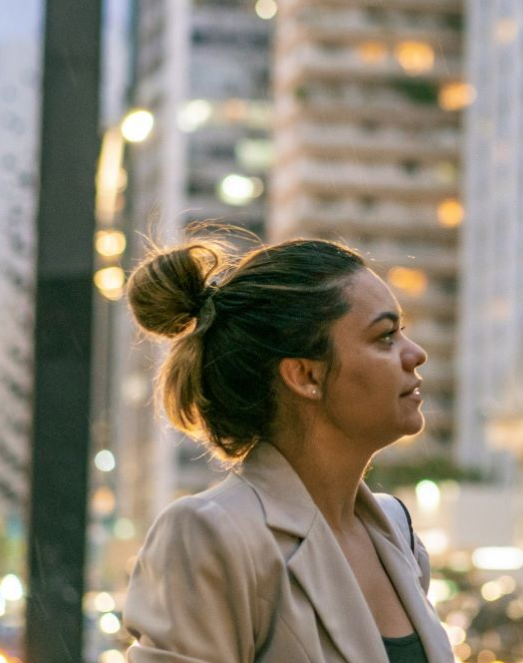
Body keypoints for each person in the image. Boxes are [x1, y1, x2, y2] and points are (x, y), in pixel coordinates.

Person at [121, 234, 452, 663]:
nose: (416, 354)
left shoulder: (397, 533)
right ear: (305, 375)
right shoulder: (211, 535)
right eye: (385, 336)